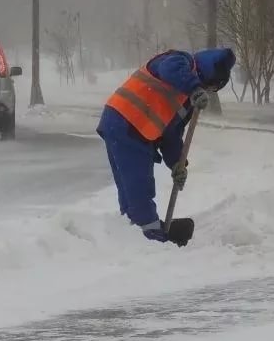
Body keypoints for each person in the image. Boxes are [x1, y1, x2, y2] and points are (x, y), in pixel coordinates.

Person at [96, 48, 236, 243]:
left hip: (125, 126)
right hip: (127, 123)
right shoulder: (181, 61)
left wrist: (178, 164)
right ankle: (149, 236)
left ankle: (132, 234)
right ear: (208, 77)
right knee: (139, 187)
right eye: (211, 88)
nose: (208, 92)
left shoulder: (186, 100)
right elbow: (170, 70)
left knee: (130, 190)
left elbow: (172, 134)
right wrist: (194, 88)